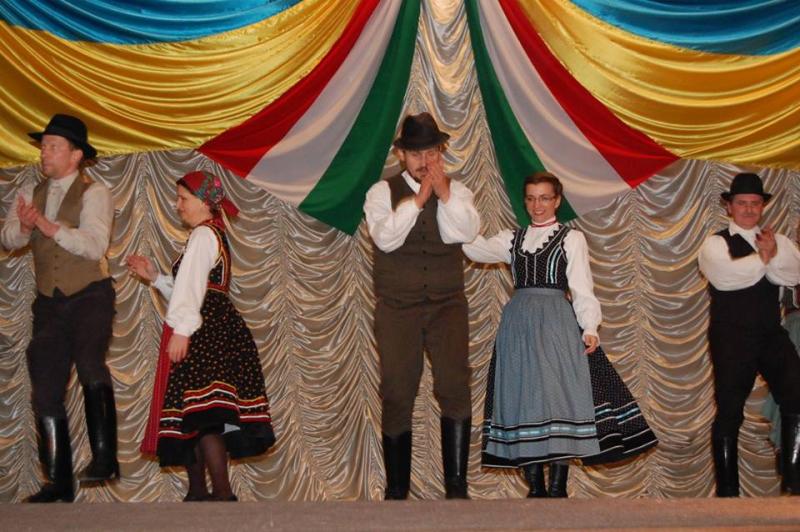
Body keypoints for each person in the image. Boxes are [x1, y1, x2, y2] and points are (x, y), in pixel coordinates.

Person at [463, 172, 657, 498]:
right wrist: (454, 207)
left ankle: (557, 486)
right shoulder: (512, 239)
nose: (537, 205)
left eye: (544, 198)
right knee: (523, 398)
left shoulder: (571, 239)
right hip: (518, 325)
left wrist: (590, 326)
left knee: (559, 399)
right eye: (531, 198)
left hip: (555, 323)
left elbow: (582, 286)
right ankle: (536, 487)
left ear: (557, 200)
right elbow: (474, 249)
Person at [126, 171, 275, 501]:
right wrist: (155, 278)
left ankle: (220, 492)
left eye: (183, 198)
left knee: (204, 413)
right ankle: (199, 491)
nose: (177, 205)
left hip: (204, 330)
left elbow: (193, 289)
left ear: (205, 202)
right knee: (196, 411)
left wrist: (181, 331)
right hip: (212, 326)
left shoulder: (204, 234)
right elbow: (192, 288)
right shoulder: (212, 233)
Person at [1, 114, 118, 503]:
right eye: (43, 146)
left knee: (89, 364)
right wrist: (24, 227)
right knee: (45, 385)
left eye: (53, 146)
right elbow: (9, 239)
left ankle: (105, 458)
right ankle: (58, 481)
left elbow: (95, 245)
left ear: (75, 155)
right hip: (49, 302)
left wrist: (52, 228)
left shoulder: (94, 192)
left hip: (90, 294)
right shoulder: (30, 192)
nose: (44, 153)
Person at [364, 112, 480, 499]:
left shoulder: (459, 191)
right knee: (398, 390)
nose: (424, 161)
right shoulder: (381, 192)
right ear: (401, 155)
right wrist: (417, 201)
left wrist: (443, 194)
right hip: (398, 307)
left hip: (448, 305)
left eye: (430, 152)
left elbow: (465, 232)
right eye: (415, 153)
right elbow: (385, 238)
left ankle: (457, 489)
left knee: (454, 385)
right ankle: (397, 491)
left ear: (440, 153)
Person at [698, 172, 800, 496]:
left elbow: (793, 273)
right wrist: (765, 259)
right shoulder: (715, 243)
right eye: (742, 203)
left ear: (762, 207)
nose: (749, 209)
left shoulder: (777, 241)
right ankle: (728, 493)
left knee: (797, 394)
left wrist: (770, 257)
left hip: (770, 332)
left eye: (755, 203)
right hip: (731, 335)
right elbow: (727, 277)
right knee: (730, 410)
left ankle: (794, 484)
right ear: (729, 207)